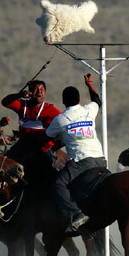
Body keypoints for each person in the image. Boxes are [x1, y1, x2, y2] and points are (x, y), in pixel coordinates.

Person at [45, 74, 106, 232]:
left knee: (58, 184)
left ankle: (76, 214)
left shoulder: (60, 119)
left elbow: (46, 138)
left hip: (81, 162)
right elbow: (97, 100)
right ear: (79, 99)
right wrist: (90, 84)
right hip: (101, 160)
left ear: (63, 102)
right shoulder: (89, 109)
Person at [1, 80, 61, 161]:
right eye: (36, 89)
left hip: (43, 147)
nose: (39, 92)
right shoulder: (22, 105)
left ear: (45, 93)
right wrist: (19, 95)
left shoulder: (50, 109)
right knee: (6, 163)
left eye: (42, 89)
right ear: (30, 92)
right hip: (23, 145)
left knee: (50, 166)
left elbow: (64, 122)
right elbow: (5, 102)